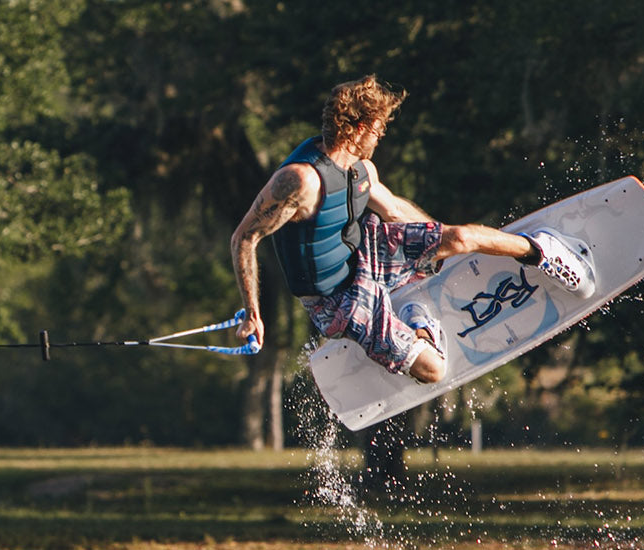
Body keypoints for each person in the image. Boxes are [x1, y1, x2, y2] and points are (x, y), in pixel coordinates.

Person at [229, 75, 594, 385]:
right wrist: (252, 313)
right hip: (338, 300)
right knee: (434, 371)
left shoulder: (362, 169)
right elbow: (244, 238)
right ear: (358, 129)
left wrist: (441, 243)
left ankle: (541, 252)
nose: (381, 137)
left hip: (367, 252)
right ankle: (416, 323)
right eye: (379, 129)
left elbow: (394, 210)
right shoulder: (299, 181)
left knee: (462, 238)